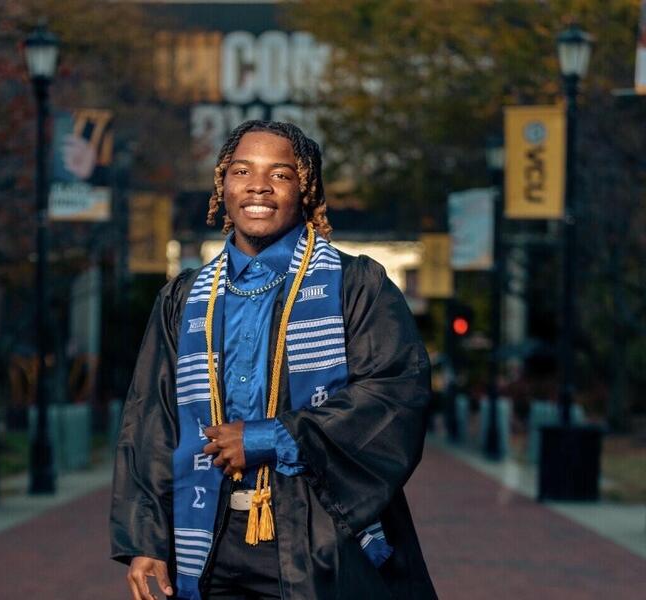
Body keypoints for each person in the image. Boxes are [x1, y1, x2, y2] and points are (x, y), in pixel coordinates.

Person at [109, 120, 436, 600]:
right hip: (208, 541)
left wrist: (268, 438)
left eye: (280, 174)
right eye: (242, 171)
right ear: (222, 185)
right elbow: (152, 419)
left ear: (305, 190)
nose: (258, 186)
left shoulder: (355, 286)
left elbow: (394, 395)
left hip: (318, 539)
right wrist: (147, 539)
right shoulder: (184, 298)